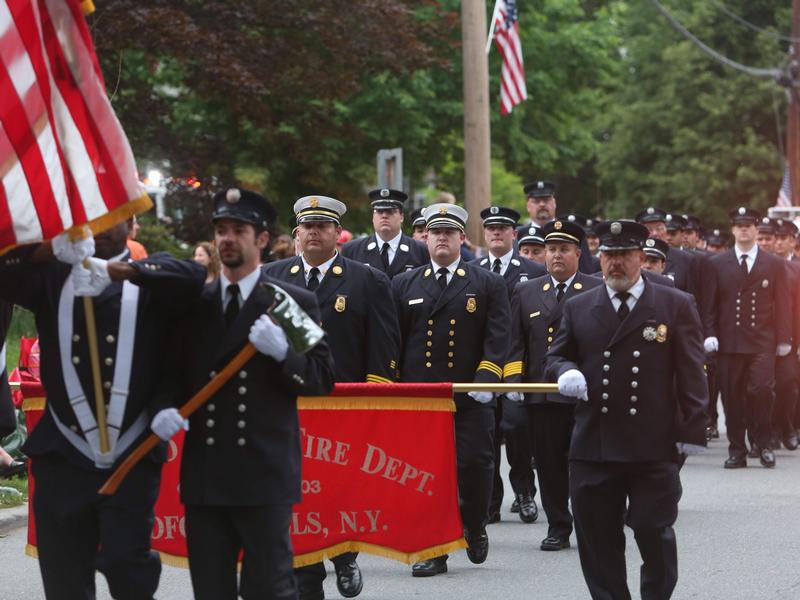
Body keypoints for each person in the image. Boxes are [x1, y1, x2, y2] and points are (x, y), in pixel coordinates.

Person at [0, 220, 206, 600]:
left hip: (129, 457)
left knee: (129, 571)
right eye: (92, 216)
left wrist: (120, 271)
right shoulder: (53, 275)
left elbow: (194, 275)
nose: (100, 226)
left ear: (130, 223)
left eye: (113, 216)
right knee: (65, 578)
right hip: (62, 454)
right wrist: (48, 249)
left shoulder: (152, 278)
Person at [173, 187, 335, 600]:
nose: (227, 238)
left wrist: (284, 354)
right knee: (211, 590)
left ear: (261, 239)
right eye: (221, 230)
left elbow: (320, 377)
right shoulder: (195, 304)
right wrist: (162, 407)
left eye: (238, 230)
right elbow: (170, 374)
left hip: (263, 476)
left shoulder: (287, 304)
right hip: (206, 476)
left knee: (269, 589)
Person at [545, 219, 708, 600]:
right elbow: (555, 356)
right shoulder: (580, 306)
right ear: (598, 258)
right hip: (594, 445)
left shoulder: (674, 303)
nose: (614, 264)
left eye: (623, 256)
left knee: (654, 530)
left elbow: (692, 373)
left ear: (640, 257)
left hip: (652, 445)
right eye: (608, 255)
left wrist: (692, 430)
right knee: (598, 540)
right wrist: (565, 370)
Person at [263, 195, 400, 600]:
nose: (314, 233)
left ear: (337, 235)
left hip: (344, 404)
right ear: (295, 234)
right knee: (296, 490)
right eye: (307, 226)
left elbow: (383, 344)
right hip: (288, 404)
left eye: (323, 226)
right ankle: (306, 574)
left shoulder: (365, 279)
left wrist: (375, 399)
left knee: (339, 490)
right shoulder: (272, 276)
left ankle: (344, 555)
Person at [392, 203, 510, 577]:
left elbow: (498, 335)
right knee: (427, 474)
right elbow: (394, 340)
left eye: (449, 232)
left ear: (462, 238)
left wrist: (487, 378)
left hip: (469, 396)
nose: (441, 238)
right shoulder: (404, 283)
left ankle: (474, 524)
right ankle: (434, 549)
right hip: (421, 398)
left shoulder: (486, 282)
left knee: (475, 466)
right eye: (435, 232)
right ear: (425, 238)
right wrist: (393, 387)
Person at [505, 218, 603, 552]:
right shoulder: (527, 290)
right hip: (542, 393)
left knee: (586, 463)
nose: (556, 256)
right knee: (548, 465)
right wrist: (515, 380)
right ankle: (559, 525)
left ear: (578, 253)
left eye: (563, 249)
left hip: (583, 394)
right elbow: (516, 341)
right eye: (551, 249)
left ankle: (592, 523)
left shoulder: (595, 289)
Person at [471, 206, 545, 525]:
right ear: (484, 234)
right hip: (482, 367)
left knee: (518, 434)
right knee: (485, 438)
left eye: (503, 228)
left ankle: (525, 492)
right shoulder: (471, 270)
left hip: (518, 367)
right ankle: (491, 500)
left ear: (514, 234)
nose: (497, 232)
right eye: (491, 228)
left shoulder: (532, 270)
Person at [702, 207, 791, 469]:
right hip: (729, 341)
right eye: (739, 225)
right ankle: (737, 449)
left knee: (762, 391)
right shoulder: (716, 263)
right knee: (731, 397)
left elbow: (783, 303)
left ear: (756, 230)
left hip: (762, 339)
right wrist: (709, 333)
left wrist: (784, 337)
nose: (744, 230)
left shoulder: (773, 264)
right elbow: (710, 305)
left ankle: (763, 444)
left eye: (749, 226)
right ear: (733, 229)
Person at [341, 188, 429, 278]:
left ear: (401, 217)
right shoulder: (352, 250)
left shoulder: (420, 250)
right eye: (379, 211)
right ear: (373, 216)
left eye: (390, 211)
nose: (384, 216)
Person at [523, 181, 600, 274]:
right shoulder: (519, 235)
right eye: (536, 201)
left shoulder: (572, 232)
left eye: (546, 200)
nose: (542, 204)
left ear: (554, 203)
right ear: (528, 206)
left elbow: (586, 270)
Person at [635, 208, 698, 295]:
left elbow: (692, 297)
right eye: (648, 229)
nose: (654, 233)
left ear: (666, 229)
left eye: (659, 228)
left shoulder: (686, 259)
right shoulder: (632, 257)